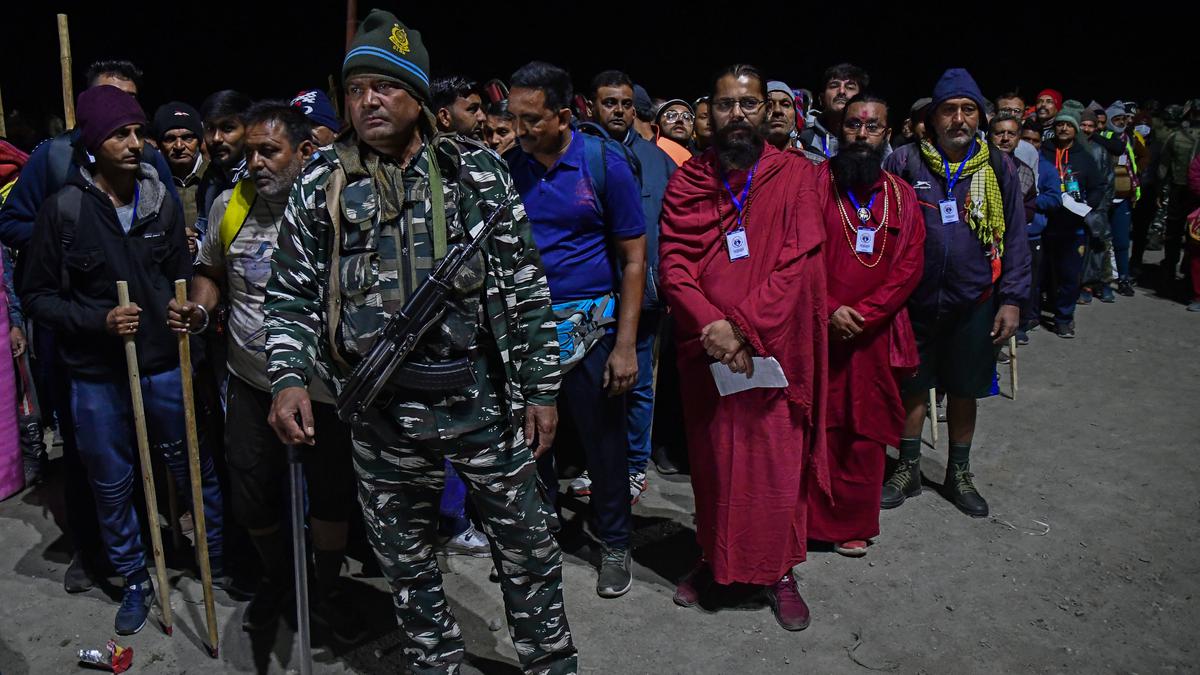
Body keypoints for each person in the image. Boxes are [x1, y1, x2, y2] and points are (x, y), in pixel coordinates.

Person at [263, 13, 576, 672]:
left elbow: (525, 291)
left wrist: (541, 388)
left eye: (383, 86)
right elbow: (288, 296)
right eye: (355, 90)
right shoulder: (324, 181)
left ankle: (549, 659)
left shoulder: (478, 174)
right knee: (407, 564)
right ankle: (437, 661)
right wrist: (289, 375)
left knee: (528, 545)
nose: (367, 101)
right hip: (381, 414)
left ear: (417, 94)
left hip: (481, 400)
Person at [19, 86, 225, 635]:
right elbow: (38, 297)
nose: (137, 143)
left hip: (162, 362)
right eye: (121, 134)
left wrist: (187, 319)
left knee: (192, 464)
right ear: (93, 142)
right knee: (111, 481)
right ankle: (135, 576)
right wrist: (98, 320)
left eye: (138, 132)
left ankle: (215, 560)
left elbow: (184, 277)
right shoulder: (63, 210)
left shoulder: (162, 203)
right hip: (96, 374)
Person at [168, 102, 362, 641]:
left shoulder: (337, 207)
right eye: (249, 150)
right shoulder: (230, 207)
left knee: (328, 493)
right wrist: (202, 309)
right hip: (252, 381)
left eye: (268, 151)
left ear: (304, 153)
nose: (254, 162)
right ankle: (280, 578)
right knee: (251, 489)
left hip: (323, 388)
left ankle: (326, 588)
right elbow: (209, 270)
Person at [0, 58, 179, 595]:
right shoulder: (52, 162)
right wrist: (69, 238)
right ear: (86, 114)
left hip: (147, 341)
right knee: (88, 451)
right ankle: (95, 551)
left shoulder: (149, 166)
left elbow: (163, 231)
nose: (127, 129)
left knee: (158, 447)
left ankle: (161, 544)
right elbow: (11, 224)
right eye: (110, 103)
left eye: (132, 112)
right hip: (80, 334)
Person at [660, 63, 828, 632]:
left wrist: (742, 329)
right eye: (726, 104)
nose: (738, 115)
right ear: (709, 112)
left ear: (767, 112)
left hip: (774, 350)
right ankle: (717, 560)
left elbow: (798, 265)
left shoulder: (799, 176)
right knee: (713, 466)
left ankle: (777, 572)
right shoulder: (689, 180)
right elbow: (674, 264)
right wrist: (712, 326)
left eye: (749, 104)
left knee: (774, 466)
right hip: (707, 356)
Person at [505, 60, 645, 597]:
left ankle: (613, 542)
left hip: (593, 327)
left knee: (602, 444)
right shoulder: (508, 167)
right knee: (532, 439)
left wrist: (626, 345)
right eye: (513, 118)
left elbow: (634, 259)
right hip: (526, 328)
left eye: (532, 120)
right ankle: (544, 535)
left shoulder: (603, 164)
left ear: (564, 116)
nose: (520, 131)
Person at [881, 68, 1030, 517]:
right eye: (950, 110)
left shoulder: (999, 166)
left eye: (968, 110)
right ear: (932, 118)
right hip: (914, 302)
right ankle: (906, 468)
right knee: (912, 386)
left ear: (979, 118)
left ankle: (958, 473)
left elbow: (1017, 237)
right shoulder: (904, 162)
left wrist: (1012, 299)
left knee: (965, 390)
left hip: (975, 301)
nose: (959, 119)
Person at [809, 93, 924, 557]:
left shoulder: (901, 195)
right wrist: (831, 308)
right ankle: (810, 519)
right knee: (817, 422)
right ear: (840, 130)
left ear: (887, 134)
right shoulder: (816, 184)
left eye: (871, 126)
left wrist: (867, 315)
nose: (861, 134)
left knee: (865, 431)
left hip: (875, 334)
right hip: (817, 327)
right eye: (853, 125)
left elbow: (909, 266)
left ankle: (853, 522)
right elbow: (798, 255)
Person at [588, 69, 678, 497]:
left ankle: (634, 465)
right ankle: (600, 464)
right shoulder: (579, 153)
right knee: (596, 383)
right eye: (610, 102)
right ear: (592, 106)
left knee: (639, 382)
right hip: (590, 292)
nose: (619, 110)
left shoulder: (658, 160)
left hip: (645, 292)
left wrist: (666, 284)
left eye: (625, 103)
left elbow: (672, 228)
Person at [1040, 108, 1104, 337]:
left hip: (1073, 223)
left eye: (1068, 125)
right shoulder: (1043, 152)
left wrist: (1089, 205)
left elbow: (1098, 186)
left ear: (1075, 129)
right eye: (1059, 124)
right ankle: (1032, 314)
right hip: (1046, 221)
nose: (1063, 128)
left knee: (1069, 274)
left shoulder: (1084, 156)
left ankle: (1064, 318)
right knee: (1041, 272)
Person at [1099, 102, 1150, 296]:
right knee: (1102, 241)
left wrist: (1134, 173)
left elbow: (1145, 157)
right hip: (1104, 197)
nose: (1120, 122)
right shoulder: (1101, 137)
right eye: (1116, 119)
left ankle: (1123, 279)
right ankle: (1102, 281)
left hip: (1123, 197)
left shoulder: (1130, 138)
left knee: (1121, 241)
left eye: (1123, 119)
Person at [195, 90, 252, 240]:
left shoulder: (260, 179)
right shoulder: (209, 179)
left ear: (248, 130)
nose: (216, 138)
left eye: (228, 128)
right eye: (210, 128)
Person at [1156, 101, 1200, 297]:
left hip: (1196, 193)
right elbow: (1164, 164)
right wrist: (1160, 189)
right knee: (1173, 232)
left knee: (1195, 237)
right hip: (1178, 189)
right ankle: (1169, 270)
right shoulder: (1176, 136)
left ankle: (1190, 275)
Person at [152, 102, 206, 235]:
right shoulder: (151, 178)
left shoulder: (214, 176)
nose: (179, 146)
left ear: (199, 141)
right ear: (159, 144)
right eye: (170, 139)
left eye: (187, 138)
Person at [798, 63, 869, 159]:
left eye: (850, 87)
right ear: (821, 99)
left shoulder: (873, 138)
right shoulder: (803, 139)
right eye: (834, 85)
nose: (842, 91)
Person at [764, 80, 798, 151]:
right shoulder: (742, 161)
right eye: (768, 106)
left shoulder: (812, 161)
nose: (777, 110)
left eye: (785, 105)